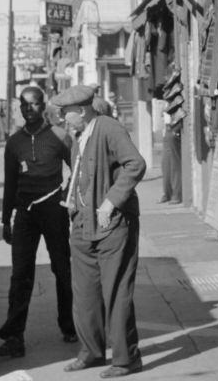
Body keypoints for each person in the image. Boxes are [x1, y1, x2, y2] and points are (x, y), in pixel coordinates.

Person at [52, 84, 146, 378]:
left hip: (113, 224)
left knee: (116, 292)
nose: (63, 119)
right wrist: (71, 200)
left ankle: (125, 360)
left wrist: (109, 203)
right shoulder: (79, 135)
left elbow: (136, 164)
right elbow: (82, 174)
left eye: (66, 114)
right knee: (85, 295)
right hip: (83, 225)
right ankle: (91, 351)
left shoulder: (108, 128)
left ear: (81, 111)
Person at [0, 85, 76, 359]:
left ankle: (70, 325)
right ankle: (15, 338)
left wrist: (68, 196)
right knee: (20, 275)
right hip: (25, 214)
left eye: (34, 104)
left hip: (53, 209)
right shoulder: (14, 143)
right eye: (24, 105)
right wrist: (6, 220)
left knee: (62, 269)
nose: (28, 109)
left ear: (44, 106)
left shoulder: (60, 136)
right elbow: (10, 184)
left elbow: (78, 171)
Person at [158, 113, 182, 205]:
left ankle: (176, 195)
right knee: (166, 167)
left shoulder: (177, 101)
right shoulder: (166, 104)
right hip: (166, 133)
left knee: (175, 167)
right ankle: (167, 193)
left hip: (173, 132)